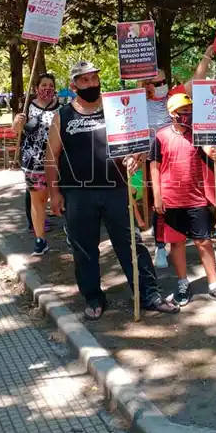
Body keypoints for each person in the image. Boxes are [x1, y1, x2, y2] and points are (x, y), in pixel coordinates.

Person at [45, 61, 178, 320]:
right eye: (85, 80)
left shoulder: (115, 108)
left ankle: (149, 294)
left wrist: (136, 157)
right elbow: (51, 156)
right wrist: (54, 193)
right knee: (84, 248)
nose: (92, 84)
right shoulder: (63, 116)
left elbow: (136, 143)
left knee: (131, 244)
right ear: (73, 85)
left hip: (116, 189)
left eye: (94, 78)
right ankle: (94, 297)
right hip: (77, 193)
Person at [150, 93, 216, 306]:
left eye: (190, 110)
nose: (187, 114)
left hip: (197, 197)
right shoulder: (161, 136)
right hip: (171, 198)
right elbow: (154, 166)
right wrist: (157, 196)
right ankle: (182, 283)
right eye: (183, 111)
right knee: (177, 243)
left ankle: (214, 284)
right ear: (172, 113)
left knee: (204, 242)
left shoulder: (200, 135)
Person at [142, 47, 214, 268]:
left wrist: (206, 56)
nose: (160, 85)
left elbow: (196, 81)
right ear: (146, 84)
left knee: (187, 200)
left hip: (180, 154)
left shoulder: (175, 96)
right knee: (157, 203)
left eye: (163, 81)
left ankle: (195, 241)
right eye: (155, 83)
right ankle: (160, 246)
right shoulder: (139, 102)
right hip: (151, 158)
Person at [12, 73, 60, 256]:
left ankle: (72, 234)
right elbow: (16, 131)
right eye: (43, 85)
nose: (47, 88)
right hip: (33, 163)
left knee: (63, 199)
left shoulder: (62, 108)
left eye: (50, 85)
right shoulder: (27, 107)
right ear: (36, 88)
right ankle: (40, 240)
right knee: (38, 201)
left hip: (58, 164)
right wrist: (17, 123)